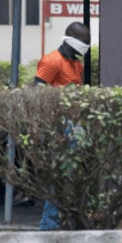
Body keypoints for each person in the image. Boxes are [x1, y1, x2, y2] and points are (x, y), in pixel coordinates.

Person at [33, 22, 90, 231]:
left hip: (74, 125)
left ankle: (66, 220)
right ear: (71, 38)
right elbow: (38, 93)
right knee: (57, 178)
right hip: (58, 126)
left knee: (72, 177)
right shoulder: (51, 61)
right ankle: (49, 224)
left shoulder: (76, 64)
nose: (87, 46)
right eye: (84, 41)